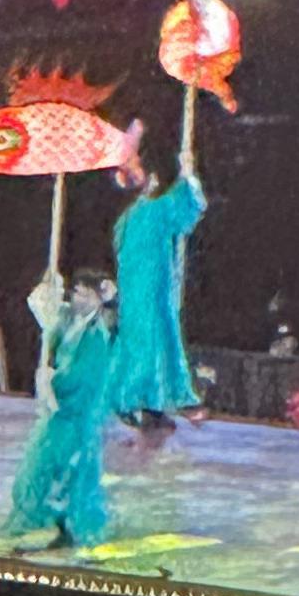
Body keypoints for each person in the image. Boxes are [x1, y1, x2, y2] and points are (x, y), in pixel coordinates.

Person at [8, 276, 118, 552]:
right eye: (77, 293)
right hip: (62, 415)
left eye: (86, 295)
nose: (79, 300)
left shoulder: (97, 335)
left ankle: (75, 529)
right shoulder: (69, 321)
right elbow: (43, 308)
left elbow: (83, 377)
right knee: (42, 466)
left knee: (74, 474)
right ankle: (42, 521)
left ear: (98, 298)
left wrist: (53, 381)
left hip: (79, 415)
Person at [108, 158, 206, 429]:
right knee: (153, 341)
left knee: (140, 341)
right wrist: (188, 177)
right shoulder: (151, 211)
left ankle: (148, 403)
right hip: (150, 290)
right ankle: (139, 400)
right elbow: (187, 211)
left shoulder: (130, 217)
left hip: (139, 290)